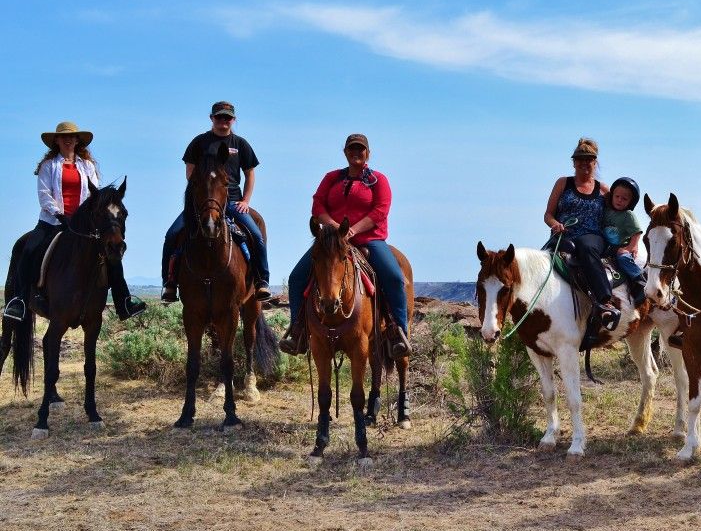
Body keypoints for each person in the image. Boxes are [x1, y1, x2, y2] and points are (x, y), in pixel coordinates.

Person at [279, 133, 411, 356]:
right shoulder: (332, 178)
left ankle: (398, 333)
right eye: (352, 149)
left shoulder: (379, 180)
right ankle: (298, 331)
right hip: (332, 243)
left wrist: (353, 229)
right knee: (296, 277)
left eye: (360, 149)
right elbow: (317, 205)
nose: (356, 153)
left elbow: (381, 210)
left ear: (368, 153)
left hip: (370, 240)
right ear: (345, 152)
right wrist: (334, 227)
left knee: (395, 278)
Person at [2, 122, 146, 321]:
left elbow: (96, 196)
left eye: (72, 136)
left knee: (112, 254)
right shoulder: (48, 166)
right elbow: (44, 195)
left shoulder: (87, 166)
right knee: (28, 250)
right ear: (57, 141)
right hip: (51, 222)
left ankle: (124, 302)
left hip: (81, 225)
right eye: (63, 137)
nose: (68, 139)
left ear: (78, 140)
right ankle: (18, 302)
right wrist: (59, 213)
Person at [160, 101, 271, 303]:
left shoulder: (241, 144)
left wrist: (246, 200)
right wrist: (203, 197)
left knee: (256, 235)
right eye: (219, 117)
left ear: (233, 120)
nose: (223, 121)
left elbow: (250, 174)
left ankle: (262, 281)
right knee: (172, 235)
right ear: (211, 118)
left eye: (227, 118)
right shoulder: (199, 143)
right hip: (201, 205)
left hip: (233, 202)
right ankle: (169, 283)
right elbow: (190, 173)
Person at [544, 138, 619, 330]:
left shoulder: (603, 190)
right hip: (564, 235)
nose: (584, 163)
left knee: (586, 247)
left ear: (595, 162)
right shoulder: (563, 183)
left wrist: (630, 241)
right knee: (542, 260)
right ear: (573, 162)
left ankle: (605, 300)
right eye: (580, 159)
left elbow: (620, 215)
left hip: (592, 236)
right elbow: (548, 214)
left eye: (589, 159)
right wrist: (555, 224)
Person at [602, 176, 646, 305]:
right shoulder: (607, 211)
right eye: (617, 196)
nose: (619, 200)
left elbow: (637, 232)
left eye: (624, 199)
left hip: (622, 246)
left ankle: (640, 279)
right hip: (608, 247)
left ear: (631, 202)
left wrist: (631, 247)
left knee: (623, 258)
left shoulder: (628, 215)